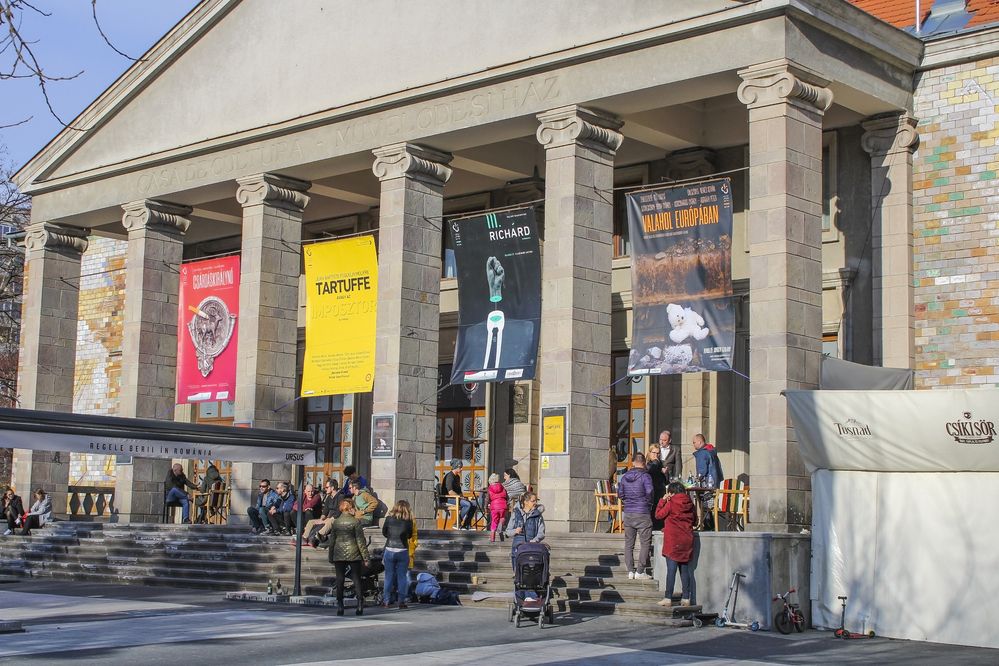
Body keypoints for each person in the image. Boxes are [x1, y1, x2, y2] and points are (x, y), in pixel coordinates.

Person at [655, 481, 696, 607]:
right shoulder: (690, 503)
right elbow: (695, 521)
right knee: (685, 570)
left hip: (673, 540)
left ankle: (668, 598)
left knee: (671, 570)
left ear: (671, 493)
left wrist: (662, 500)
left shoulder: (671, 503)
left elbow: (658, 515)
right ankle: (686, 598)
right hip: (687, 540)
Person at [327, 498, 370, 616]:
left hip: (339, 552)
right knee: (356, 578)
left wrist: (330, 556)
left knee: (340, 579)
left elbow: (332, 541)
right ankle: (359, 603)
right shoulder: (355, 522)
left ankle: (340, 605)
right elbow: (360, 541)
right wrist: (366, 557)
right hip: (353, 551)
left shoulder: (336, 522)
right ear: (350, 508)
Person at [617, 452, 653, 579]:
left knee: (629, 544)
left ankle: (630, 571)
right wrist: (648, 503)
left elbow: (620, 494)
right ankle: (640, 571)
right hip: (642, 512)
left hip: (628, 512)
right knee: (645, 543)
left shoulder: (624, 477)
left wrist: (628, 501)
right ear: (644, 463)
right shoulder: (646, 476)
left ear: (632, 462)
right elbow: (649, 491)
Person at [381, 499, 414, 609]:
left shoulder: (389, 519)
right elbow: (410, 535)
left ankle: (386, 601)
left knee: (388, 576)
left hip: (390, 549)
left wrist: (391, 536)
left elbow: (384, 532)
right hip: (402, 550)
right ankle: (401, 601)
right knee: (402, 577)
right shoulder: (408, 521)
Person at [505, 491, 545, 571]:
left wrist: (535, 540)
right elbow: (507, 531)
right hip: (518, 548)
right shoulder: (516, 514)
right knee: (518, 572)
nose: (535, 503)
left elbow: (541, 533)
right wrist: (515, 531)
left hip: (532, 547)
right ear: (525, 502)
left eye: (536, 501)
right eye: (533, 501)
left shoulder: (538, 515)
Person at [692, 433, 723, 530]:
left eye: (694, 442)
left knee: (705, 506)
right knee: (709, 506)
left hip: (707, 485)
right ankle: (710, 525)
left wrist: (697, 479)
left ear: (699, 442)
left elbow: (702, 471)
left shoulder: (702, 453)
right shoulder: (712, 451)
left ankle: (708, 526)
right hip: (716, 484)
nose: (693, 444)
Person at [440, 459, 474, 529]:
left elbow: (459, 491)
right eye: (460, 467)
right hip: (447, 498)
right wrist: (460, 497)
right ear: (455, 467)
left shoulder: (457, 477)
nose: (461, 469)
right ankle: (457, 523)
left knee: (474, 504)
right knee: (467, 504)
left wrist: (463, 497)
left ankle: (466, 525)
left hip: (455, 498)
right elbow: (450, 492)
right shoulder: (449, 477)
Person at [646, 444, 668, 530]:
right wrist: (656, 462)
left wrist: (665, 473)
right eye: (654, 452)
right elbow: (651, 471)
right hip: (652, 492)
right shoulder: (649, 464)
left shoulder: (660, 464)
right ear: (649, 453)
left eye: (658, 453)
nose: (656, 455)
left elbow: (665, 480)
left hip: (660, 491)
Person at [486, 473, 508, 542]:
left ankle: (492, 537)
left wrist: (485, 507)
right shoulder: (502, 487)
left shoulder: (490, 488)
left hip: (494, 506)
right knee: (502, 517)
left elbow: (487, 499)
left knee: (494, 521)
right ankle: (500, 525)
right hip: (503, 505)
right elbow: (506, 496)